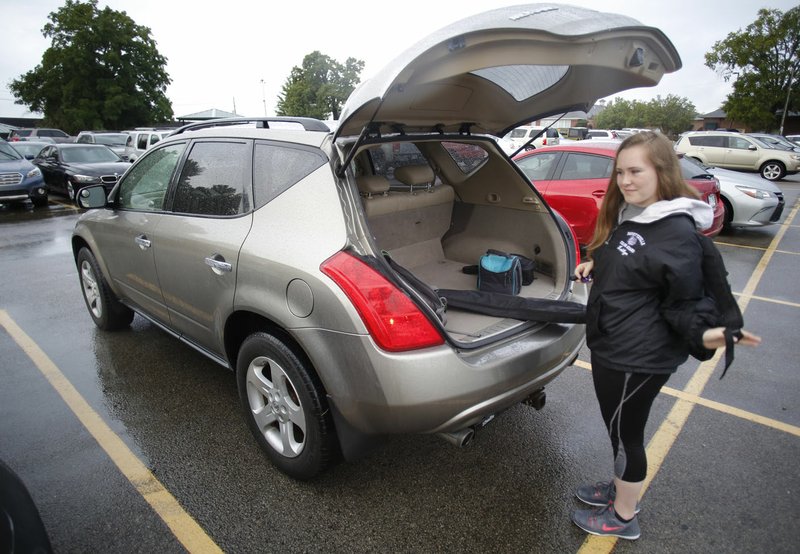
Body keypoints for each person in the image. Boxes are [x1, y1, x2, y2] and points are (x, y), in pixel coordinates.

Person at [570, 131, 761, 540]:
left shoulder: (674, 232)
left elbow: (685, 303)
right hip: (615, 344)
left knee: (627, 436)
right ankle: (621, 487)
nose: (626, 180)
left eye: (636, 171)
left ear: (662, 171)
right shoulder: (639, 215)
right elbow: (634, 266)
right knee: (617, 429)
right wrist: (595, 265)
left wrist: (710, 335)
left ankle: (623, 516)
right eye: (620, 171)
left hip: (636, 357)